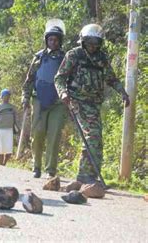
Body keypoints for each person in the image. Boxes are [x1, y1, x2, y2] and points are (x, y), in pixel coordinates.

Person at [55, 23, 130, 184]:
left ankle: (88, 175)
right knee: (92, 135)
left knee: (95, 138)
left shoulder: (101, 58)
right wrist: (63, 92)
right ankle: (85, 175)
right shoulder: (74, 55)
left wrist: (122, 93)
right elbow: (59, 77)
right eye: (89, 42)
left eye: (96, 43)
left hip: (94, 103)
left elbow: (111, 78)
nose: (93, 46)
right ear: (83, 41)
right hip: (76, 100)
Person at [22, 21, 67, 178]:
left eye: (56, 40)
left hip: (58, 103)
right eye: (50, 39)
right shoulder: (38, 58)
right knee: (38, 134)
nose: (53, 42)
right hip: (39, 100)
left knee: (54, 136)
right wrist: (25, 98)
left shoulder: (66, 58)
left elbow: (72, 79)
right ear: (46, 40)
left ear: (60, 41)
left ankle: (50, 170)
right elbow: (29, 79)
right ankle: (36, 166)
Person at [0, 89, 19, 166]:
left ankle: (4, 163)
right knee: (0, 149)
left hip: (9, 130)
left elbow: (16, 119)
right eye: (5, 96)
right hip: (0, 131)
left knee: (8, 150)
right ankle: (0, 165)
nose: (7, 97)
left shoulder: (12, 107)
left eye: (8, 96)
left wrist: (18, 129)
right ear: (2, 97)